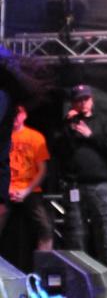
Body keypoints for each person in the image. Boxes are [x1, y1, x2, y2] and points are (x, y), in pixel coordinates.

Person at [57, 84, 107, 298]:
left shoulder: (102, 122)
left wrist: (91, 135)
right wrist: (68, 125)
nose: (83, 103)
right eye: (79, 100)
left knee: (106, 229)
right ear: (73, 103)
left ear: (92, 100)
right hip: (74, 186)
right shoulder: (67, 125)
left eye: (86, 99)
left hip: (98, 184)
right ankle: (80, 279)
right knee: (76, 232)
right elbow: (60, 151)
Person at [6, 105, 54, 261]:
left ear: (24, 115)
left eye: (18, 114)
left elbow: (42, 169)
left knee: (45, 227)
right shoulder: (3, 135)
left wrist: (26, 191)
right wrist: (7, 188)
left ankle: (43, 267)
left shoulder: (35, 137)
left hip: (30, 190)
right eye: (12, 114)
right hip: (6, 189)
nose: (15, 118)